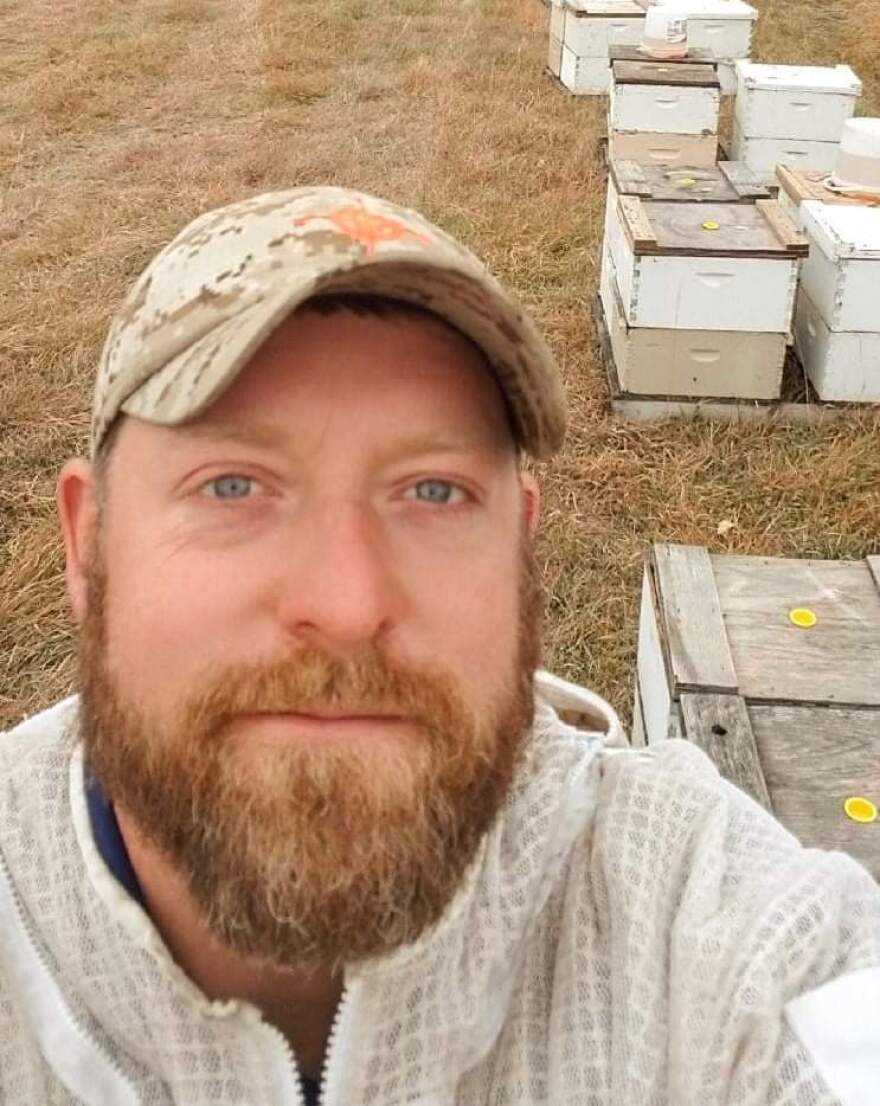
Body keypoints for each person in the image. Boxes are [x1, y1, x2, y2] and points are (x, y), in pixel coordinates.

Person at [1, 186, 877, 1106]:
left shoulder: (705, 928)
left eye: (434, 492)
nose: (346, 604)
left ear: (519, 549)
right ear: (87, 547)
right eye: (231, 487)